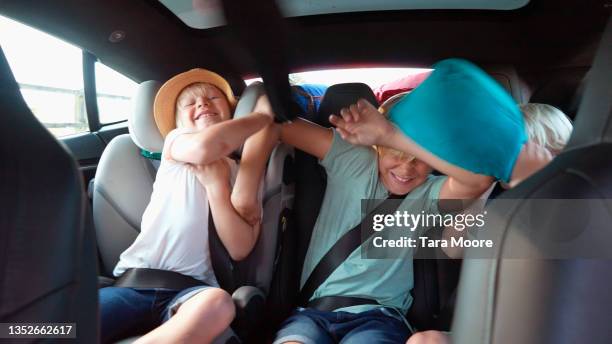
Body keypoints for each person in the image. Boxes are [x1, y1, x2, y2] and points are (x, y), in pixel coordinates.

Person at [99, 68, 277, 344]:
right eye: (190, 103)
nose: (203, 104)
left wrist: (216, 187)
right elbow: (206, 148)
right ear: (178, 124)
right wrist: (262, 117)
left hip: (194, 290)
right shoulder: (176, 145)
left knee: (219, 304)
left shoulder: (240, 173)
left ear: (232, 115)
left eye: (213, 98)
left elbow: (240, 248)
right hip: (136, 282)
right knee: (47, 326)